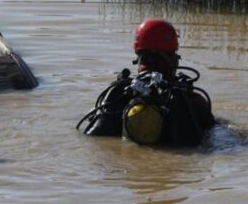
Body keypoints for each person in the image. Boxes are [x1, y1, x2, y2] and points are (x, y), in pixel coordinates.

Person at [77, 19, 214, 146]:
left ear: (139, 55)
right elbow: (213, 133)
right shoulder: (191, 100)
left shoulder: (118, 94)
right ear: (171, 57)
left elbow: (94, 135)